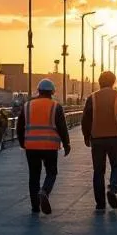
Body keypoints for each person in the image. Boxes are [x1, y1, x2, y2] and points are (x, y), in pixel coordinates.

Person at [16, 78, 71, 214]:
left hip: (31, 146)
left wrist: (22, 142)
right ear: (52, 92)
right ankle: (45, 191)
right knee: (51, 172)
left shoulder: (27, 106)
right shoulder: (55, 106)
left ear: (38, 91)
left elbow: (19, 126)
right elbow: (62, 127)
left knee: (33, 176)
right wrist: (66, 143)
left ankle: (35, 207)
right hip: (50, 146)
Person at [82, 70, 117, 211]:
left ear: (99, 82)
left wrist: (86, 136)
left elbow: (85, 119)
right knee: (116, 165)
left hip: (97, 138)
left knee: (98, 171)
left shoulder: (92, 98)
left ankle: (100, 204)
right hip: (114, 138)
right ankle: (112, 188)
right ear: (113, 82)